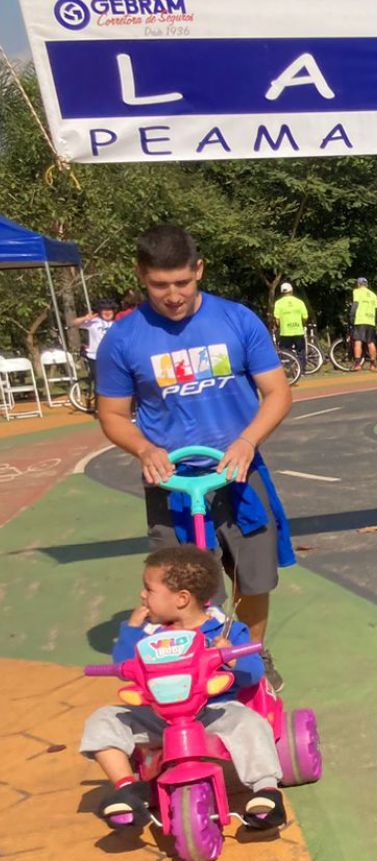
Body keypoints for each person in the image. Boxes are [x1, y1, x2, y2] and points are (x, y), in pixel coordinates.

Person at [95, 224, 295, 689]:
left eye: (183, 283)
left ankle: (250, 654)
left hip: (240, 475)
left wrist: (246, 442)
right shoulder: (123, 339)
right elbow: (113, 415)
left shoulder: (236, 320)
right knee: (184, 587)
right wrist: (144, 448)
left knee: (255, 576)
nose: (173, 296)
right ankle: (194, 667)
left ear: (199, 269)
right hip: (174, 485)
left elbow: (276, 393)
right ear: (142, 276)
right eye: (159, 285)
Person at [79, 546, 285, 830]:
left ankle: (266, 790)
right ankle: (128, 787)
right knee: (104, 720)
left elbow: (253, 673)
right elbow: (124, 668)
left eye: (149, 589)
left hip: (214, 710)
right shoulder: (151, 635)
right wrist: (131, 629)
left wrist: (231, 656)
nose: (142, 596)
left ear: (182, 599)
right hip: (161, 715)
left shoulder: (224, 629)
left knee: (249, 723)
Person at [71, 297, 119, 388]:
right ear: (100, 311)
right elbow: (74, 323)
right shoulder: (94, 322)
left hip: (112, 357)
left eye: (110, 310)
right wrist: (85, 318)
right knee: (99, 382)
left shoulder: (116, 324)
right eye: (105, 310)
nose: (107, 313)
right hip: (95, 357)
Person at [272, 282, 310, 373]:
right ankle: (302, 369)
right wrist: (302, 323)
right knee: (300, 350)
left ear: (282, 292)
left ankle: (290, 368)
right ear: (291, 290)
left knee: (285, 351)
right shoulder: (299, 302)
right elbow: (305, 317)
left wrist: (278, 326)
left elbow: (277, 319)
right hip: (298, 330)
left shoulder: (278, 303)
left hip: (285, 332)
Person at [349, 276, 377, 371]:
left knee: (358, 341)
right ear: (366, 284)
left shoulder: (357, 291)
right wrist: (376, 320)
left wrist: (351, 316)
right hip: (370, 320)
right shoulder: (373, 294)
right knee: (371, 343)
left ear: (358, 284)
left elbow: (355, 304)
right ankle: (373, 364)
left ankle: (357, 364)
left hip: (360, 319)